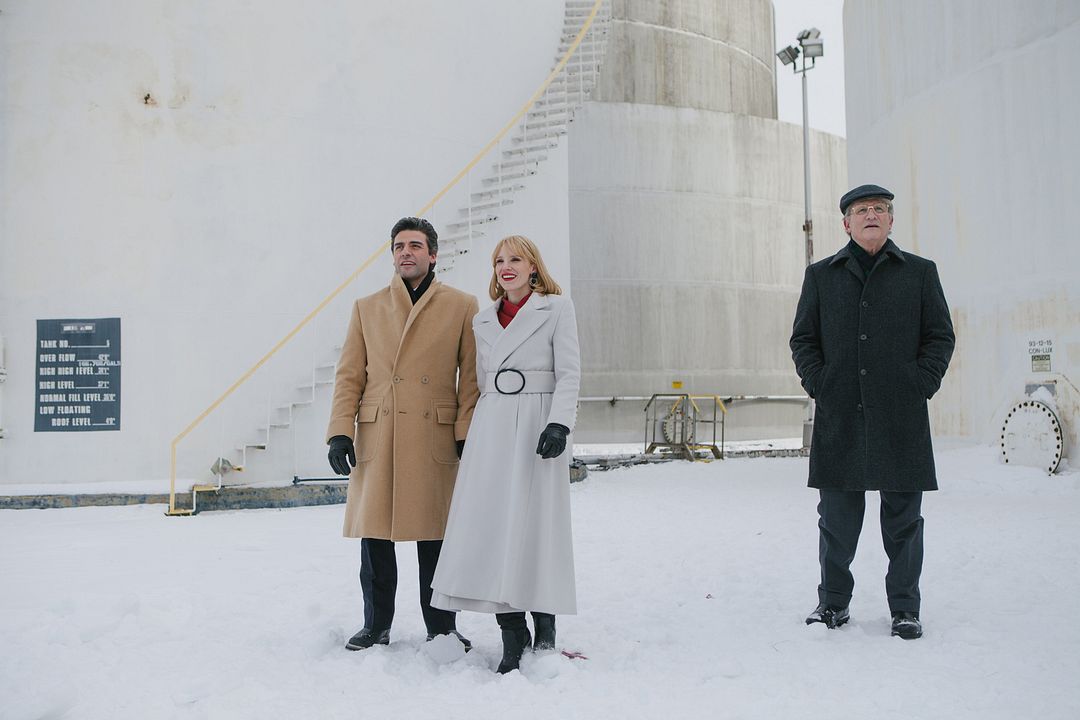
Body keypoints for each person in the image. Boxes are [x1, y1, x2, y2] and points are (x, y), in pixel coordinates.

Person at [790, 184, 955, 640]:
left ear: (891, 220)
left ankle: (905, 608)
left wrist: (921, 383)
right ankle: (832, 604)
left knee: (904, 524)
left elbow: (940, 337)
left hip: (901, 415)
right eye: (862, 210)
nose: (871, 215)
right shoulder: (822, 276)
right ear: (846, 223)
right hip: (840, 415)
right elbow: (803, 339)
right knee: (837, 523)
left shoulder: (920, 273)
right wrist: (819, 383)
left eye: (880, 209)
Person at [326, 216, 480, 651]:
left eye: (415, 245)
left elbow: (470, 380)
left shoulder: (462, 305)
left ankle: (442, 628)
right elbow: (349, 377)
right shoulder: (366, 307)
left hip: (434, 434)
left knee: (436, 539)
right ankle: (376, 626)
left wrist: (466, 433)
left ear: (433, 254)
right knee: (375, 539)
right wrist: (340, 431)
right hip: (381, 433)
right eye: (399, 246)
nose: (406, 252)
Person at [430, 234, 581, 673]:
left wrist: (559, 423)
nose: (506, 266)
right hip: (492, 428)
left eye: (515, 259)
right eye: (499, 260)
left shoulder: (557, 308)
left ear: (534, 266)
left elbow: (570, 373)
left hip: (538, 424)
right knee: (494, 528)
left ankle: (545, 628)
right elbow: (479, 381)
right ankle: (512, 632)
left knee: (538, 526)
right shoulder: (483, 320)